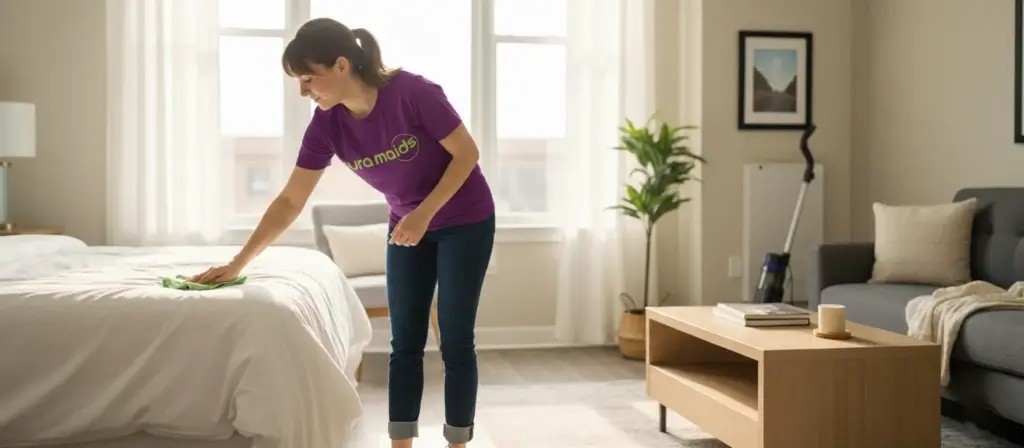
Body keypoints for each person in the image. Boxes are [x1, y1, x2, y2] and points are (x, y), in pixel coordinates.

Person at [190, 17, 495, 448]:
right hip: (408, 225)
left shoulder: (413, 93)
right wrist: (237, 263)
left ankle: (458, 442)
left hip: (464, 219)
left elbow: (467, 154)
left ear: (340, 65)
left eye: (307, 77)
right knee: (405, 340)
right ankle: (400, 445)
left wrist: (424, 214)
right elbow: (290, 201)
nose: (303, 90)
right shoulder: (326, 125)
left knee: (455, 337)